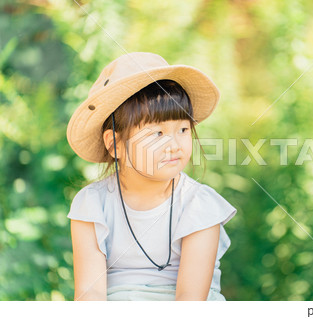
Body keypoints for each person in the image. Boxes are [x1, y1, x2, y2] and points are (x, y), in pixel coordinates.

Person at [66, 52, 237, 301]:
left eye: (182, 129)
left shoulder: (199, 205)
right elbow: (89, 293)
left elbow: (191, 299)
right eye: (156, 133)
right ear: (115, 144)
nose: (174, 144)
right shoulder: (92, 204)